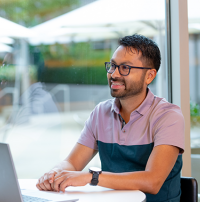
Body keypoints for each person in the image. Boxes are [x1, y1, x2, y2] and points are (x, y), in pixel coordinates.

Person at [36, 34, 184, 202]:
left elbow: (153, 181)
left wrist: (91, 177)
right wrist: (55, 173)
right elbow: (72, 163)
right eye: (113, 66)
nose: (114, 74)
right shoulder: (101, 112)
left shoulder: (168, 116)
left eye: (125, 68)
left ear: (149, 76)